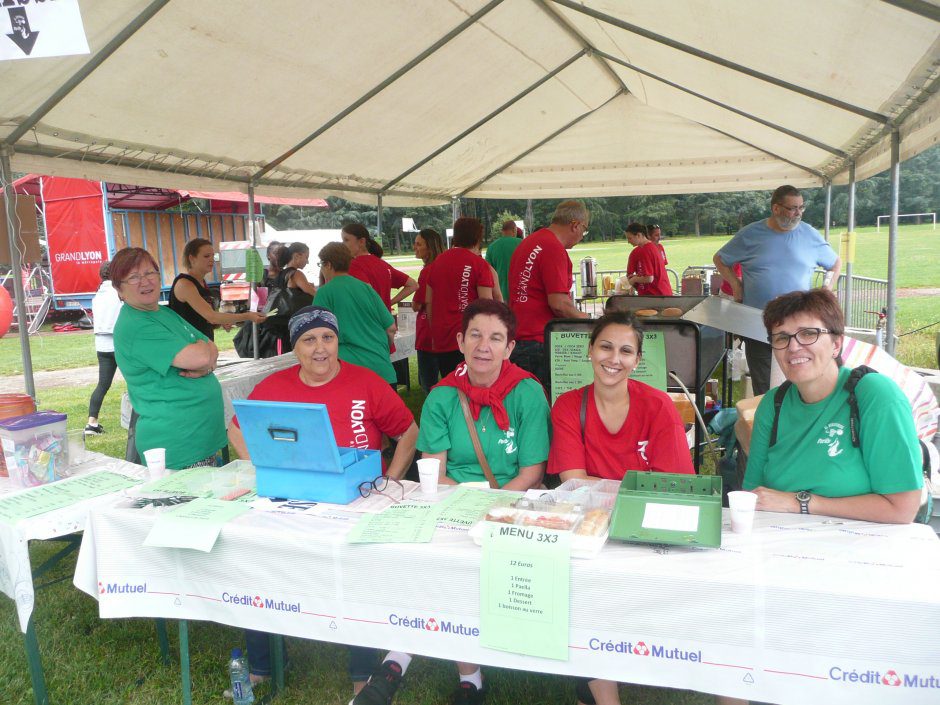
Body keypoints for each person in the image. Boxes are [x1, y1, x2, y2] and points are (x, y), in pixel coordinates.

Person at [352, 299, 549, 705]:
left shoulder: (527, 393)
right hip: (450, 501)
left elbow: (531, 473)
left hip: (507, 504)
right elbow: (435, 471)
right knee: (418, 555)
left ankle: (422, 662)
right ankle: (418, 658)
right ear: (459, 340)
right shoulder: (443, 397)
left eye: (496, 338)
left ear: (510, 348)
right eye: (475, 334)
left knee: (467, 564)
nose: (484, 346)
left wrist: (488, 509)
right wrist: (461, 509)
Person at [227, 306, 418, 697]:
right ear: (294, 348)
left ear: (337, 341)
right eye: (309, 340)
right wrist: (263, 466)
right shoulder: (275, 387)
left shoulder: (366, 382)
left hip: (356, 503)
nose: (320, 348)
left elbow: (408, 431)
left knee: (358, 572)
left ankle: (363, 670)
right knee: (255, 560)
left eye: (327, 338)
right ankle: (263, 664)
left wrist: (390, 481)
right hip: (292, 502)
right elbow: (236, 429)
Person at [743, 288, 922, 523]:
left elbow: (902, 509)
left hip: (862, 549)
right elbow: (752, 497)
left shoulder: (875, 396)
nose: (793, 347)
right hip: (783, 547)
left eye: (808, 334)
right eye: (782, 337)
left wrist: (800, 502)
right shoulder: (773, 404)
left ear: (836, 344)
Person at [713, 185, 841, 395]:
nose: (798, 213)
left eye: (801, 208)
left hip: (798, 324)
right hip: (758, 322)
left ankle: (795, 418)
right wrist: (736, 286)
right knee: (763, 383)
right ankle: (766, 420)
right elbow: (720, 259)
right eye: (792, 208)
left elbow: (835, 263)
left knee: (799, 377)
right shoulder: (751, 234)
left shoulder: (809, 234)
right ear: (776, 208)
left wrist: (826, 290)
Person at [110, 247, 227, 469]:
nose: (145, 281)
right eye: (133, 277)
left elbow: (211, 347)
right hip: (177, 445)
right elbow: (202, 355)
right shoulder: (136, 326)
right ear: (119, 289)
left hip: (197, 438)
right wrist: (205, 357)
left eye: (149, 273)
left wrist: (207, 362)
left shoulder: (162, 312)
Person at [549, 310, 694, 482]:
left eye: (626, 351)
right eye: (606, 347)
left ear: (637, 360)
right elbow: (573, 481)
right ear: (590, 350)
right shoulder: (568, 406)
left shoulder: (659, 406)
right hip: (590, 508)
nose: (614, 359)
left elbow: (675, 483)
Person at [507, 200, 589, 383]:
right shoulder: (553, 248)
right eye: (584, 229)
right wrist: (587, 320)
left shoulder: (530, 242)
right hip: (539, 343)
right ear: (575, 225)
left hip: (519, 338)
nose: (582, 235)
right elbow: (559, 304)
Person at [314, 242, 398, 385]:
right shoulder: (366, 288)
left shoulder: (324, 292)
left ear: (328, 265)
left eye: (320, 264)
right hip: (381, 369)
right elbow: (390, 328)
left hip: (349, 373)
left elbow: (318, 333)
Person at [427, 217, 494, 377]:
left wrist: (434, 331)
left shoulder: (438, 262)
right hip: (470, 339)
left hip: (443, 337)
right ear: (478, 237)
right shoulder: (479, 264)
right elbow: (487, 306)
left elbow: (429, 301)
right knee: (474, 389)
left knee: (452, 386)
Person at [169, 238, 265, 340]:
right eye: (206, 256)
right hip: (187, 346)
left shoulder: (201, 282)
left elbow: (206, 318)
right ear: (192, 258)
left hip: (203, 345)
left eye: (212, 256)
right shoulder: (185, 284)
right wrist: (248, 316)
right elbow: (211, 317)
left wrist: (221, 321)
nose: (211, 260)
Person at [343, 223, 417, 312]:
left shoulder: (354, 265)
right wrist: (389, 303)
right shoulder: (382, 264)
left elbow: (367, 293)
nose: (343, 244)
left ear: (361, 242)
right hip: (386, 321)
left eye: (346, 240)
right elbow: (413, 285)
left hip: (367, 322)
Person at [85, 261, 123, 435]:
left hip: (102, 345)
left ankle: (91, 423)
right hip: (119, 343)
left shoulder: (98, 294)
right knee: (135, 381)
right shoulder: (119, 293)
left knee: (103, 385)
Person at [263, 242, 317, 353]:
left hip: (279, 324)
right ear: (297, 256)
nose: (307, 261)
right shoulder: (296, 274)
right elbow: (314, 294)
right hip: (292, 323)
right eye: (306, 257)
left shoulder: (280, 274)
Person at [412, 227, 445, 393]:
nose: (414, 247)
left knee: (429, 384)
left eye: (418, 244)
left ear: (430, 247)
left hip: (427, 334)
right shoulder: (445, 267)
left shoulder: (427, 271)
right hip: (445, 333)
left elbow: (417, 304)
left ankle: (432, 416)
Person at [625, 222, 672, 296]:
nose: (628, 241)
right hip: (660, 293)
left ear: (638, 235)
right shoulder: (651, 247)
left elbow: (649, 278)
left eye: (629, 238)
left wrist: (634, 279)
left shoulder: (645, 250)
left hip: (656, 295)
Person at [485, 219, 522, 304]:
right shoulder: (522, 243)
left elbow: (488, 272)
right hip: (520, 293)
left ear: (502, 231)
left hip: (500, 295)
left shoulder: (491, 247)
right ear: (514, 230)